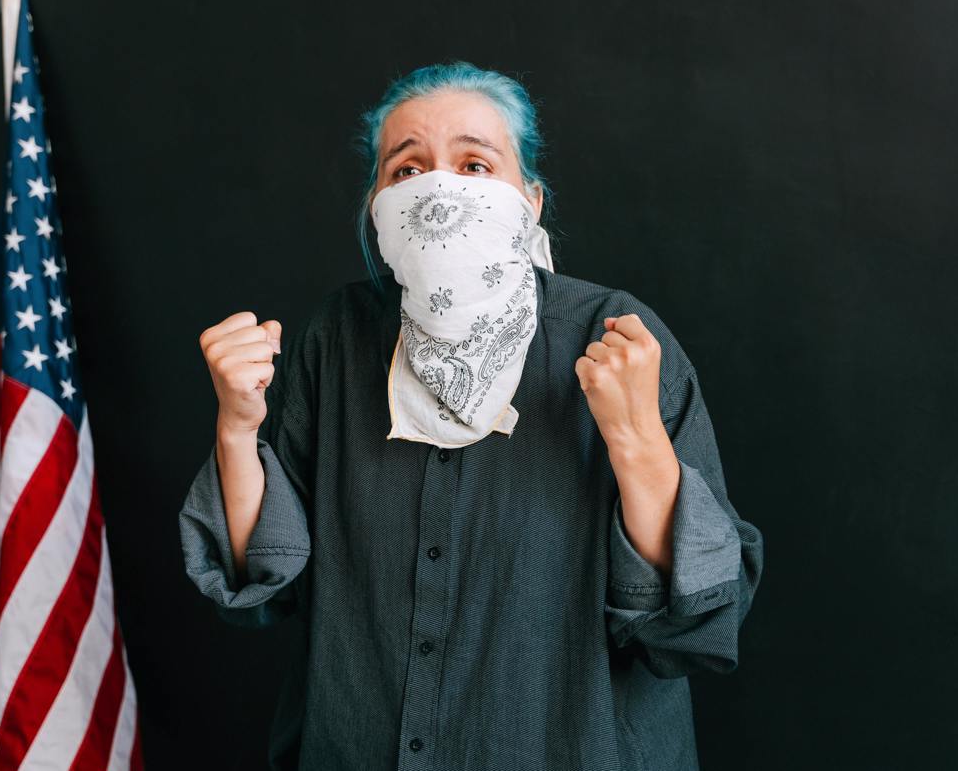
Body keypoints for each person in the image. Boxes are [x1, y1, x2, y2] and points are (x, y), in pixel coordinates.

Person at [179, 60, 764, 771]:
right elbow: (264, 584)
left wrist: (634, 436)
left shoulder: (615, 337)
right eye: (407, 169)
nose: (439, 190)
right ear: (378, 207)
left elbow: (696, 622)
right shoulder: (337, 338)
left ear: (530, 201)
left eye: (475, 165)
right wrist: (238, 426)